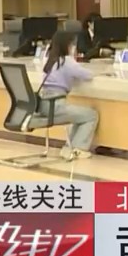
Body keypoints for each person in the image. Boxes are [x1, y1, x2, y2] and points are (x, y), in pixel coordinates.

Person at [39, 31, 100, 160]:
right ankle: (79, 149)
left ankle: (69, 147)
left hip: (44, 105)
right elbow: (88, 75)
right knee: (91, 115)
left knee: (79, 116)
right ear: (67, 45)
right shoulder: (66, 61)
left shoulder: (49, 60)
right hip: (56, 106)